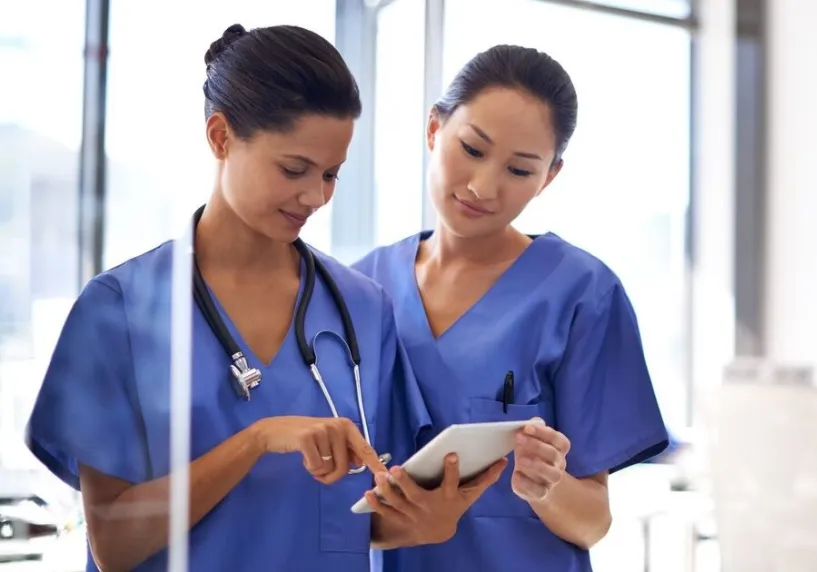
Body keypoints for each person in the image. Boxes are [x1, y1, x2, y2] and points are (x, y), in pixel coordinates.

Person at [25, 24, 504, 572]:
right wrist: (256, 440)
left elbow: (361, 516)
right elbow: (114, 547)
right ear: (221, 137)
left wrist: (428, 522)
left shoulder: (363, 310)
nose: (315, 196)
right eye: (293, 169)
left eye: (331, 174)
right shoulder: (118, 310)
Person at [352, 44, 670, 572]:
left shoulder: (582, 293)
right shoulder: (363, 287)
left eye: (520, 171)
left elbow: (592, 521)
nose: (483, 187)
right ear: (434, 129)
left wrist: (545, 487)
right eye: (472, 150)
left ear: (548, 177)